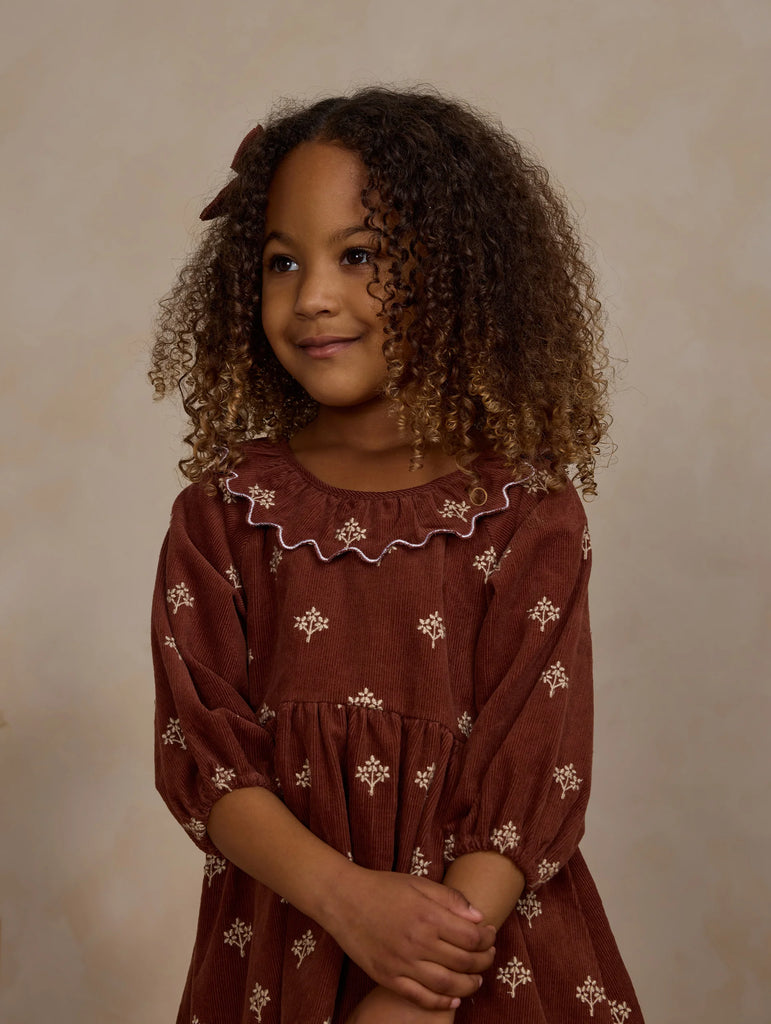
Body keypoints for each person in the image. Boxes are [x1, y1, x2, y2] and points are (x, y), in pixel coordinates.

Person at [149, 86, 643, 1024]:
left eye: (359, 254)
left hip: (479, 961)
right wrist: (346, 901)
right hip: (281, 953)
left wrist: (413, 990)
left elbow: (533, 766)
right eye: (282, 261)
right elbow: (205, 759)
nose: (312, 297)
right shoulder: (221, 513)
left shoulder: (527, 513)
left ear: (458, 271)